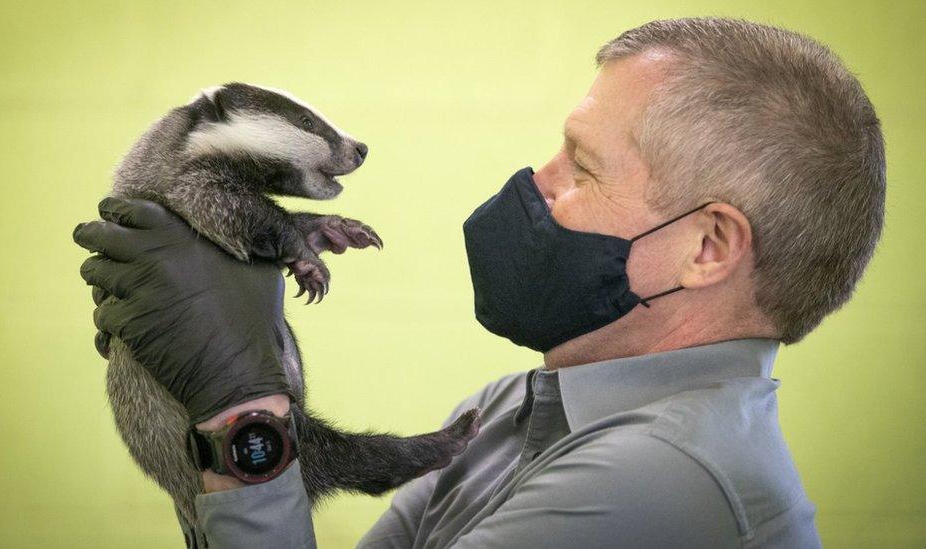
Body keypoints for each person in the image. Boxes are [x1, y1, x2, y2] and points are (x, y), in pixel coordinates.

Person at [73, 17, 884, 548]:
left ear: (706, 248)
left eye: (582, 167)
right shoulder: (517, 407)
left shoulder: (658, 479)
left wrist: (238, 412)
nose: (535, 180)